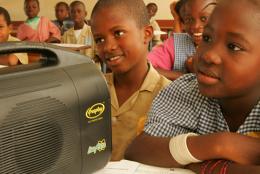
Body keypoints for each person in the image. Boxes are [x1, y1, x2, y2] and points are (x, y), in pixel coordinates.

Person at [125, 0, 260, 173]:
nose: (208, 55)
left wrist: (196, 163)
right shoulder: (188, 90)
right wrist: (222, 144)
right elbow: (139, 150)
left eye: (233, 46)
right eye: (207, 38)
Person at [90, 0, 170, 161]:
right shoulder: (90, 90)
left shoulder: (169, 95)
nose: (108, 47)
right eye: (99, 39)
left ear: (146, 34)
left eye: (118, 33)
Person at [148, 0, 217, 81]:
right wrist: (186, 76)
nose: (195, 26)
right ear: (183, 23)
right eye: (188, 20)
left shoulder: (228, 47)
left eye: (204, 18)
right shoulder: (176, 43)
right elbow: (145, 68)